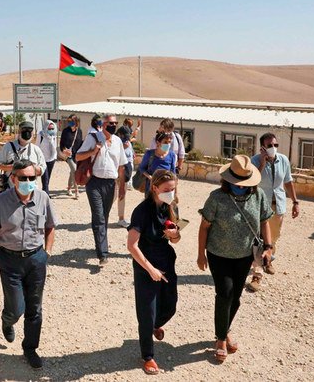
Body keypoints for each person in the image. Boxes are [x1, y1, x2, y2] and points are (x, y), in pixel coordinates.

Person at [197, 155, 273, 362]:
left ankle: (225, 328)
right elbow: (204, 227)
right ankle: (221, 338)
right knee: (225, 294)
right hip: (218, 254)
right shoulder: (216, 198)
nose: (239, 187)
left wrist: (269, 247)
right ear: (227, 180)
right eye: (235, 183)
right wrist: (200, 253)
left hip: (244, 256)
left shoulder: (259, 197)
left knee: (236, 298)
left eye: (242, 184)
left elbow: (265, 221)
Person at [0, 159, 57, 370]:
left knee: (34, 308)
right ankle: (7, 320)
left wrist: (47, 253)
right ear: (13, 179)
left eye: (31, 178)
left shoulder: (43, 198)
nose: (27, 181)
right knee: (16, 308)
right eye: (23, 178)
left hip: (36, 260)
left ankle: (30, 348)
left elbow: (50, 227)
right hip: (10, 261)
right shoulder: (1, 201)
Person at [127, 169, 181, 374]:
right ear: (155, 188)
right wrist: (150, 269)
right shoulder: (142, 211)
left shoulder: (171, 207)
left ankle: (154, 325)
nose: (171, 193)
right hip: (145, 265)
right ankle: (147, 356)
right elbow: (132, 245)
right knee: (146, 311)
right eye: (167, 189)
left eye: (173, 189)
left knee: (170, 305)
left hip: (166, 260)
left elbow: (176, 239)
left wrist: (174, 235)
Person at [248, 132, 300, 291]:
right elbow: (251, 181)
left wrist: (295, 201)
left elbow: (288, 182)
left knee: (274, 237)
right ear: (262, 147)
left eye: (275, 145)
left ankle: (268, 259)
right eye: (269, 145)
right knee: (259, 239)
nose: (273, 148)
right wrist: (262, 163)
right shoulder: (254, 161)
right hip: (260, 205)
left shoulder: (283, 160)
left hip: (278, 205)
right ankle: (257, 274)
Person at [76, 114, 127, 266]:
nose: (114, 125)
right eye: (111, 123)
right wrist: (93, 151)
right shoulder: (93, 138)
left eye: (116, 123)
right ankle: (103, 254)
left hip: (111, 184)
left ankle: (99, 244)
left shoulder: (117, 141)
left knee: (104, 216)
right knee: (98, 216)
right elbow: (78, 156)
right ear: (103, 124)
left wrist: (122, 186)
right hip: (94, 183)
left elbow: (121, 166)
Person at [0, 121, 46, 192]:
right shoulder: (8, 147)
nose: (27, 132)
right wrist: (15, 167)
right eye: (24, 130)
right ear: (19, 131)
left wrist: (29, 168)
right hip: (11, 190)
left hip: (31, 191)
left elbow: (41, 171)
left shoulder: (36, 150)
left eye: (29, 130)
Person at [59, 114, 83, 199]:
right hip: (68, 155)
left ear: (76, 122)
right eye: (69, 121)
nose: (69, 123)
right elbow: (61, 144)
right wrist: (65, 150)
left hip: (76, 155)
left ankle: (69, 188)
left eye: (71, 121)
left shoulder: (79, 131)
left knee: (72, 172)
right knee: (74, 170)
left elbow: (80, 144)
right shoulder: (65, 131)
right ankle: (76, 190)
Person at [115, 125, 135, 227]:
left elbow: (131, 156)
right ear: (119, 134)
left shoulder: (128, 143)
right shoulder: (114, 141)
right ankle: (102, 216)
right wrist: (122, 148)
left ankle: (121, 218)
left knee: (122, 196)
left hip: (126, 173)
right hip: (116, 173)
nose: (126, 139)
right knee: (112, 196)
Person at [37, 120, 57, 195]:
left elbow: (54, 146)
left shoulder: (53, 135)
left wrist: (54, 157)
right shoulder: (41, 135)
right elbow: (37, 146)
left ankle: (44, 192)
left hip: (51, 159)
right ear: (45, 127)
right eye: (49, 129)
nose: (51, 130)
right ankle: (46, 195)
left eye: (52, 128)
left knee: (48, 178)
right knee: (45, 178)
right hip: (43, 160)